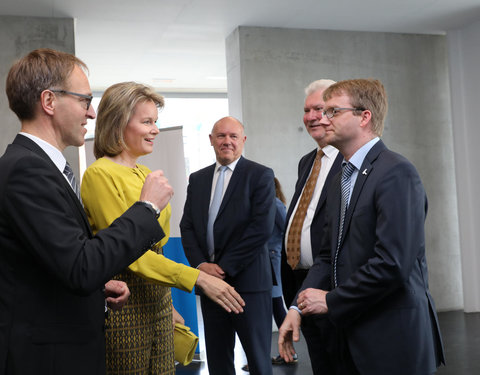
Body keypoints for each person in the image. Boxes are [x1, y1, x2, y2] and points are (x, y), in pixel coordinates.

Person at [0, 48, 172, 375]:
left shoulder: (41, 168)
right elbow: (80, 267)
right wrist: (146, 208)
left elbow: (55, 259)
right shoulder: (27, 171)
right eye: (84, 100)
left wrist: (98, 288)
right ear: (49, 102)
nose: (92, 113)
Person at [278, 78, 445, 374]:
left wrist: (331, 299)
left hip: (392, 337)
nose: (322, 119)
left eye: (332, 111)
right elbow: (328, 256)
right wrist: (296, 307)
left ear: (364, 116)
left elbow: (392, 264)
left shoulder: (396, 173)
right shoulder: (343, 175)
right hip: (351, 334)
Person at [80, 82, 245, 375]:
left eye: (155, 122)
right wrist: (198, 279)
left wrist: (166, 303)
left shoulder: (145, 173)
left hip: (157, 298)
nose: (155, 129)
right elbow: (128, 252)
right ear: (118, 122)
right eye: (147, 122)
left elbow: (158, 244)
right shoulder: (99, 174)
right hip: (124, 302)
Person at [180, 116, 276, 375]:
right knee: (218, 361)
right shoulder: (197, 179)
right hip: (211, 287)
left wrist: (221, 268)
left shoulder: (260, 175)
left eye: (233, 136)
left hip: (249, 286)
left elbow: (261, 229)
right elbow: (187, 227)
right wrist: (201, 266)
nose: (227, 141)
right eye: (221, 136)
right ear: (211, 140)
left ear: (243, 140)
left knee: (258, 360)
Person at [279, 79, 343, 373]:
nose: (311, 116)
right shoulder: (308, 161)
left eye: (319, 108)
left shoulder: (350, 161)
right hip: (300, 282)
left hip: (333, 288)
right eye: (307, 110)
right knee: (321, 363)